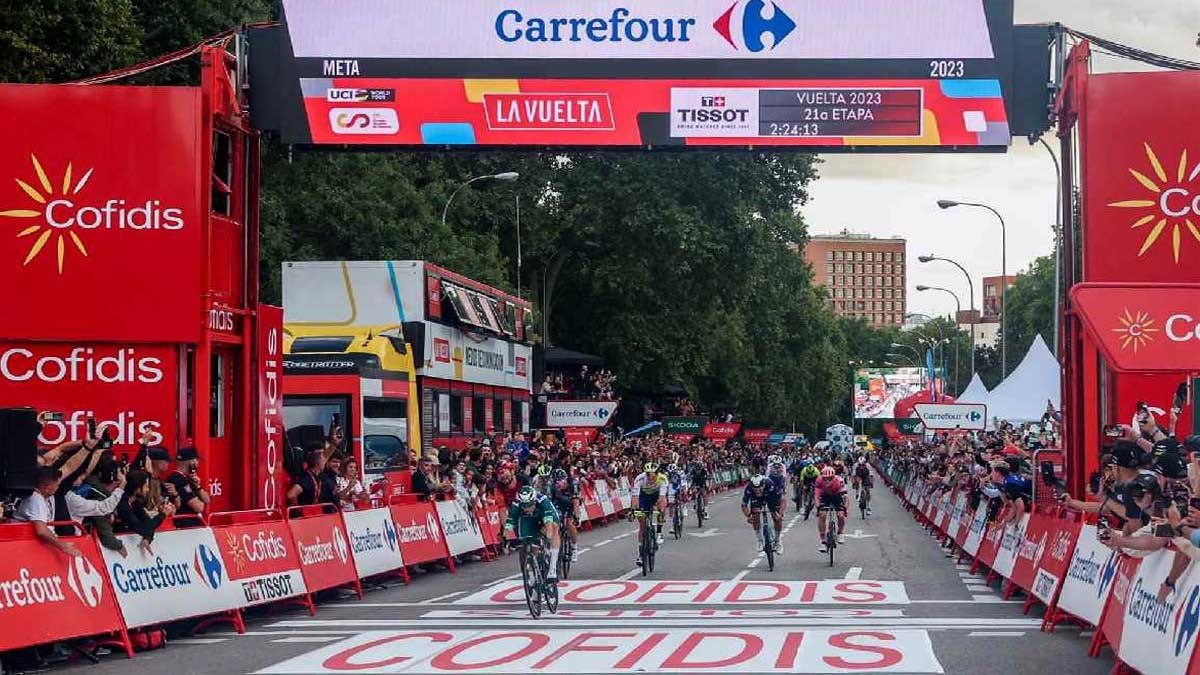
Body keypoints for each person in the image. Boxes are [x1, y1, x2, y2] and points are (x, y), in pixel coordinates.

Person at [14, 467, 82, 557]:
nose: (58, 487)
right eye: (57, 485)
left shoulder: (44, 496)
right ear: (46, 487)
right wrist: (64, 546)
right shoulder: (36, 499)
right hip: (28, 546)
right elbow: (41, 531)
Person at [503, 486, 563, 582]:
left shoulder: (543, 501)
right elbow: (509, 524)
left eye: (530, 505)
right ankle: (532, 572)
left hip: (544, 514)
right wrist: (505, 542)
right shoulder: (516, 505)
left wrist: (548, 535)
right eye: (524, 506)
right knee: (529, 540)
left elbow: (548, 523)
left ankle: (552, 569)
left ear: (534, 501)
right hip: (528, 518)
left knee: (554, 529)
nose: (527, 508)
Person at [117, 470, 174, 554]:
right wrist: (163, 514)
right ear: (137, 489)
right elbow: (142, 528)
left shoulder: (136, 503)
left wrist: (147, 538)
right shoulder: (122, 504)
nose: (148, 490)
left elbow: (148, 523)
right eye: (146, 486)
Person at [631, 462, 668, 564]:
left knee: (662, 507)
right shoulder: (640, 478)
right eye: (647, 474)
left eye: (651, 474)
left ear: (657, 473)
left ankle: (659, 532)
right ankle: (641, 554)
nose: (649, 476)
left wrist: (660, 511)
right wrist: (633, 510)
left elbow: (661, 498)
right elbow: (635, 497)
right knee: (641, 523)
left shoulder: (662, 478)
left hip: (656, 495)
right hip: (644, 496)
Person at [742, 474, 783, 554]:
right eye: (755, 489)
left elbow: (782, 500)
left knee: (776, 517)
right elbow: (744, 505)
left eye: (759, 489)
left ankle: (778, 541)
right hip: (756, 499)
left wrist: (780, 514)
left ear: (763, 485)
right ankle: (759, 540)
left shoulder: (770, 485)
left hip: (770, 496)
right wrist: (748, 516)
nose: (757, 491)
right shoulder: (749, 488)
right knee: (755, 516)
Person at [166, 446, 210, 516]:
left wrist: (198, 486)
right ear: (191, 462)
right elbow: (199, 507)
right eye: (196, 460)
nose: (198, 463)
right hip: (185, 521)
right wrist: (200, 503)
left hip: (194, 520)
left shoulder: (189, 478)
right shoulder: (178, 479)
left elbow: (207, 500)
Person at [548, 468, 580, 563]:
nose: (558, 484)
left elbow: (576, 502)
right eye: (555, 482)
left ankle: (574, 548)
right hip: (559, 502)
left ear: (565, 479)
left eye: (560, 481)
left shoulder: (573, 484)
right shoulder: (551, 486)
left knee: (570, 523)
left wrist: (576, 516)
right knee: (555, 523)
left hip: (571, 502)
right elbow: (549, 502)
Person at [814, 466, 848, 553]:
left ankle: (840, 532)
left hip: (837, 495)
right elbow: (817, 496)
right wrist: (818, 507)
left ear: (833, 477)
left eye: (830, 478)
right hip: (825, 496)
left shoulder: (839, 481)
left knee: (840, 515)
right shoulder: (819, 480)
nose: (827, 481)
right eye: (825, 479)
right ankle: (823, 541)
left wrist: (845, 509)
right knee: (822, 515)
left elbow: (845, 497)